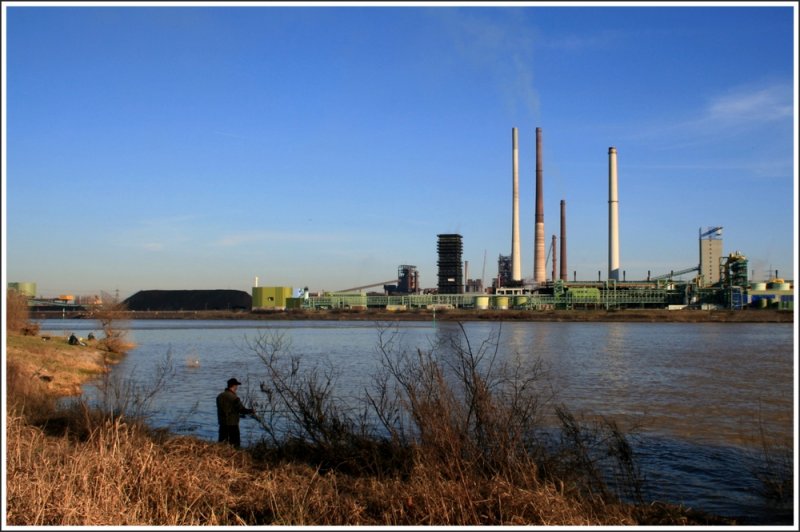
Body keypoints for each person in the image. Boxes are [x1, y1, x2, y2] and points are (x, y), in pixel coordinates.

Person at [216, 378, 254, 449]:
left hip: (222, 423)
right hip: (232, 424)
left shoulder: (219, 396)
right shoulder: (234, 398)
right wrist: (251, 411)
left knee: (222, 443)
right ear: (233, 386)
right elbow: (242, 410)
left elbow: (224, 409)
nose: (237, 387)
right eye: (236, 385)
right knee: (235, 444)